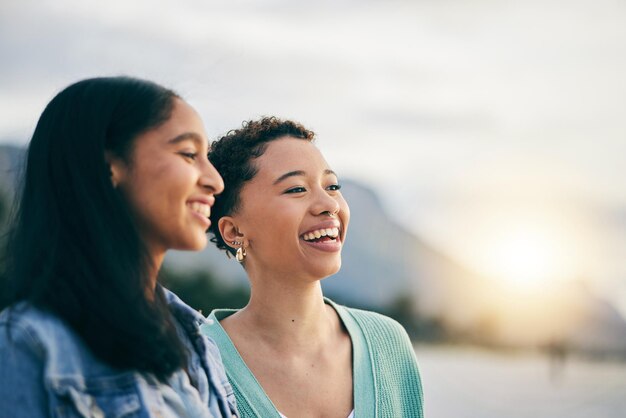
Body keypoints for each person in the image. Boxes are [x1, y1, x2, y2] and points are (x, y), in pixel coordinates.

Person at [0, 77, 238, 418]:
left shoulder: (196, 335)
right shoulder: (28, 345)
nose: (215, 180)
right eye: (188, 154)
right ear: (108, 165)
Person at [202, 117, 424, 417]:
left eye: (332, 186)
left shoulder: (388, 343)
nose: (329, 204)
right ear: (234, 232)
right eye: (296, 189)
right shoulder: (197, 361)